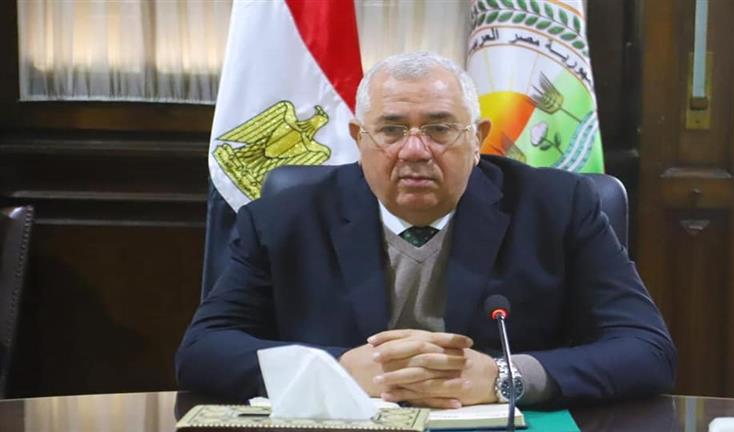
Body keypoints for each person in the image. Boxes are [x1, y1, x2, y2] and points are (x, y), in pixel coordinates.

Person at [176, 52, 676, 408]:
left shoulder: (559, 206)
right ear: (359, 139)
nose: (414, 151)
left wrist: (503, 377)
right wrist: (337, 371)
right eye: (391, 130)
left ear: (477, 139)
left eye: (439, 129)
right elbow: (203, 351)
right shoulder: (283, 217)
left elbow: (647, 349)